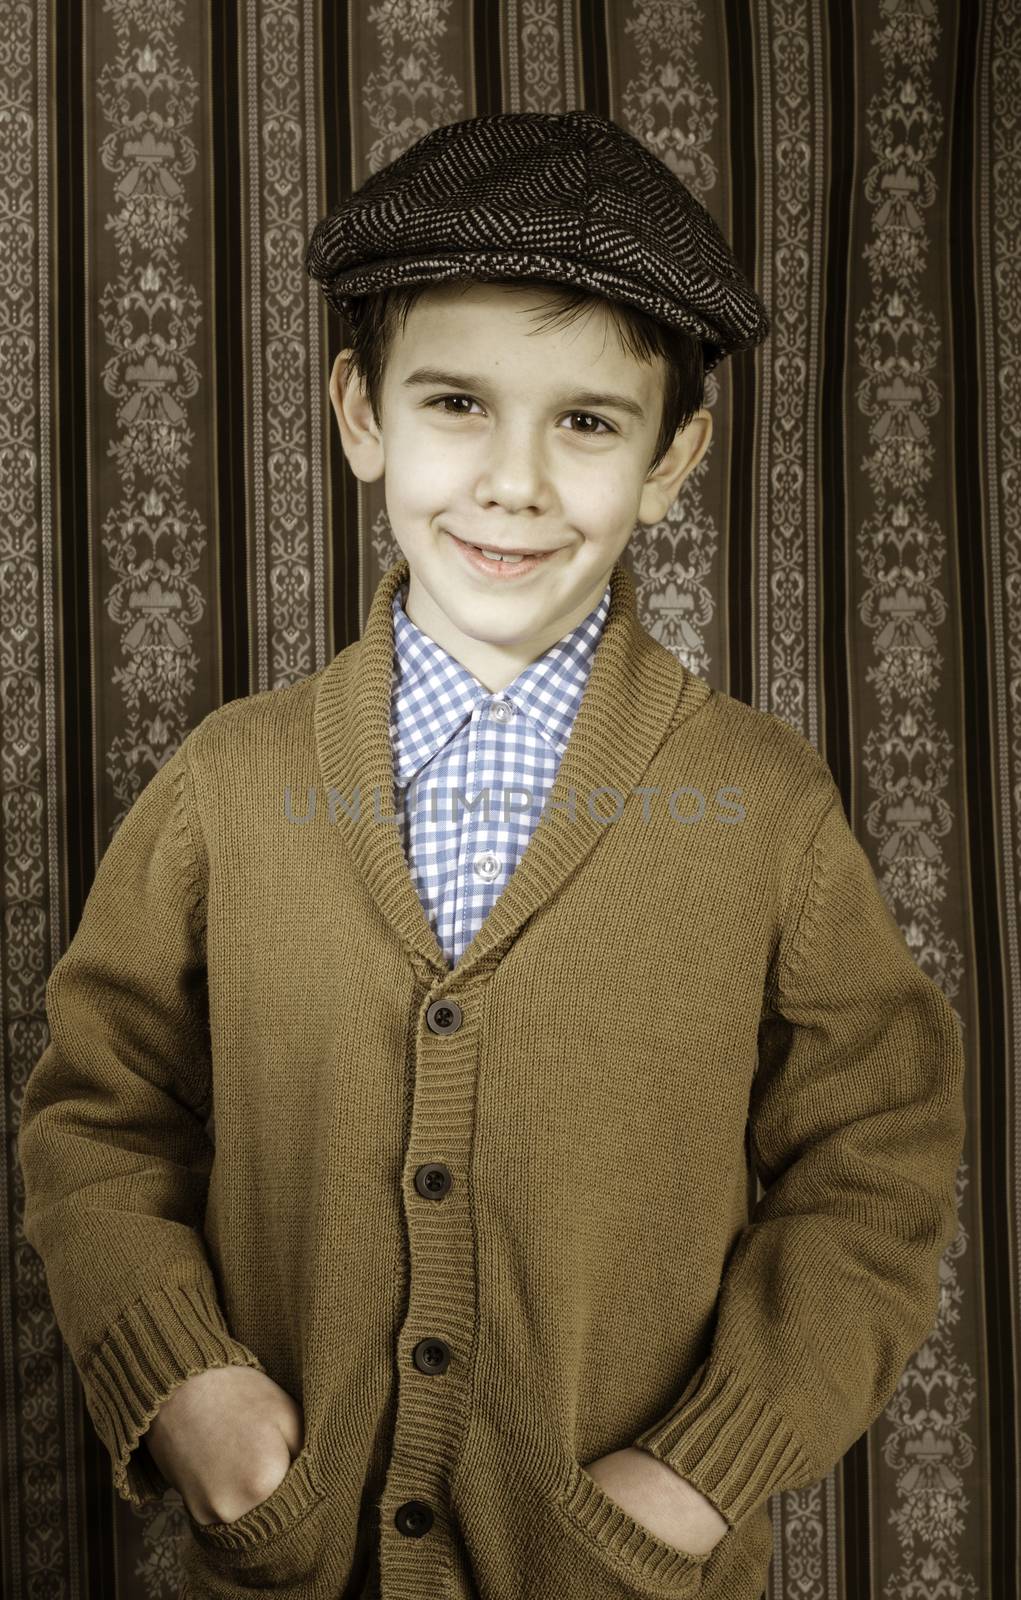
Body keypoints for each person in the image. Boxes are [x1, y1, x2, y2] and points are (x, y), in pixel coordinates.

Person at [18, 110, 966, 1600]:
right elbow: (102, 1115)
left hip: (610, 1566)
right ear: (361, 416)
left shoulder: (761, 805)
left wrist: (702, 1468)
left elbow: (876, 1160)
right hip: (285, 1557)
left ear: (670, 461)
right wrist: (185, 1378)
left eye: (586, 421)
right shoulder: (230, 783)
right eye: (457, 402)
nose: (514, 481)